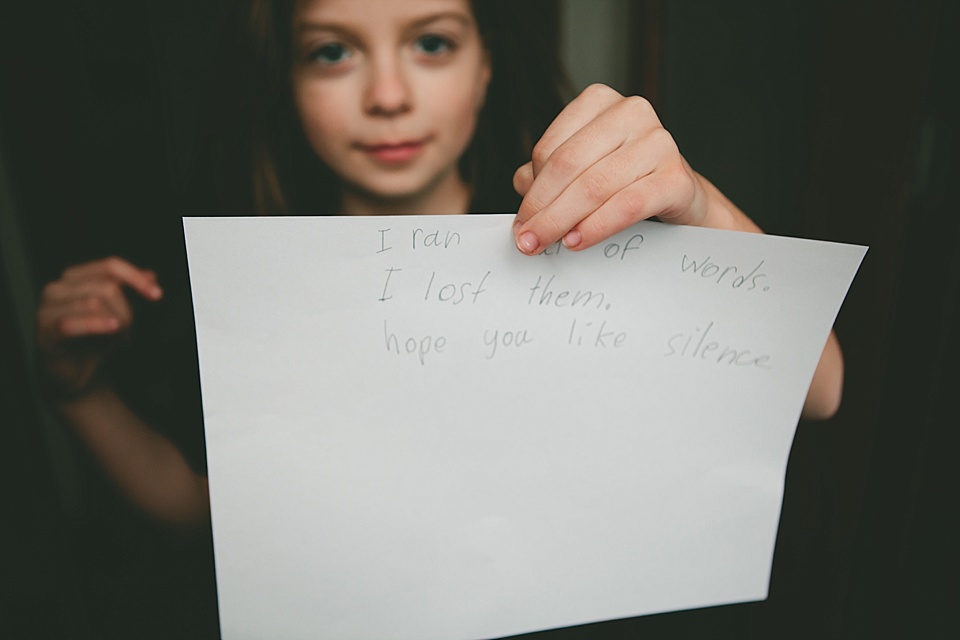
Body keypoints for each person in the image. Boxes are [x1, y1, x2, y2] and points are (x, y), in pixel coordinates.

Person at [35, 0, 844, 530]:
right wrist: (80, 390)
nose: (388, 93)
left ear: (484, 62)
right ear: (284, 80)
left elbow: (821, 388)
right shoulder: (252, 291)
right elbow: (205, 509)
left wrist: (701, 208)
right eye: (331, 52)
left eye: (430, 42)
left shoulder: (590, 232)